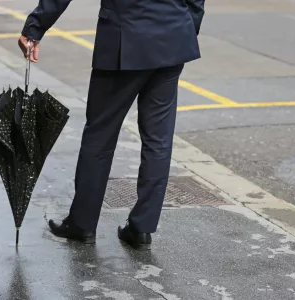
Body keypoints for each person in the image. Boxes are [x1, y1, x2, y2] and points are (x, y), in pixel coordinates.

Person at [18, 0, 205, 250]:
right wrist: (185, 26)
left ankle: (82, 223)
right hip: (172, 36)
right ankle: (141, 228)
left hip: (124, 37)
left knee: (100, 134)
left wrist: (35, 27)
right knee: (158, 139)